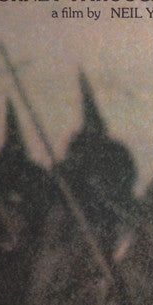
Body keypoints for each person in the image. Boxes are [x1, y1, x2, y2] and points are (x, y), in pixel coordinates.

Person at [58, 70, 139, 260]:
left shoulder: (116, 149)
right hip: (85, 206)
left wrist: (111, 187)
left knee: (130, 225)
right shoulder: (78, 147)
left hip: (114, 203)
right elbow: (67, 172)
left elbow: (130, 174)